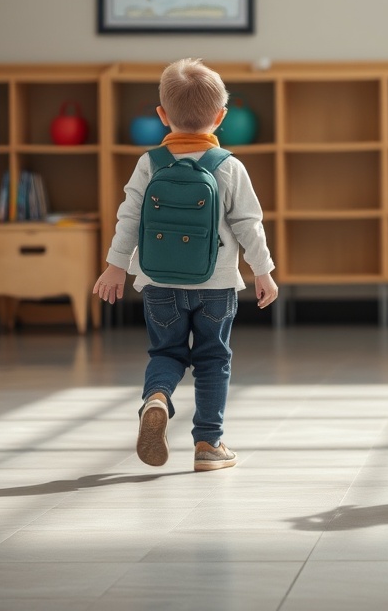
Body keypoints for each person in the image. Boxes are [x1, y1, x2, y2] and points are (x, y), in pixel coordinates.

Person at [93, 58, 278, 473]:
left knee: (167, 352)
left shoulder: (149, 163)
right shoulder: (229, 166)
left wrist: (115, 266)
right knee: (213, 359)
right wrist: (262, 271)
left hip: (158, 283)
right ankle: (208, 444)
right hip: (216, 285)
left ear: (161, 115)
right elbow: (250, 224)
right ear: (221, 117)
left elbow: (129, 217)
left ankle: (157, 397)